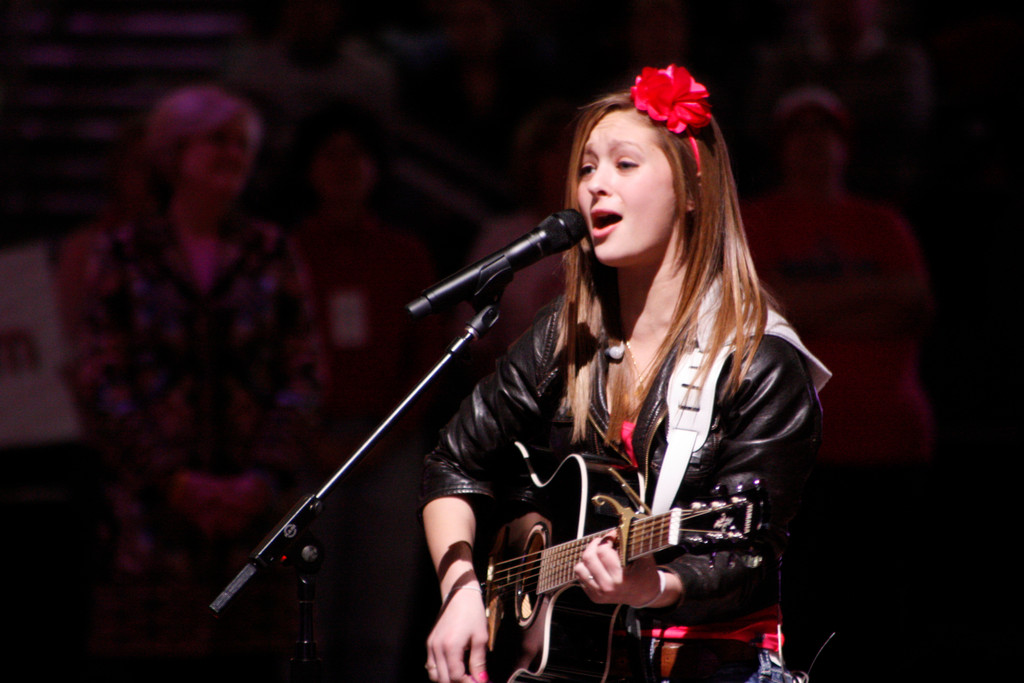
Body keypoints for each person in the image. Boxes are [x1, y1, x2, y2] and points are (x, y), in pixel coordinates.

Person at [418, 65, 830, 683]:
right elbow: (455, 459)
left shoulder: (761, 360)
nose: (594, 186)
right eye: (586, 169)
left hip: (704, 664)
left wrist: (650, 584)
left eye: (624, 165)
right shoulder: (564, 334)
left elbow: (747, 549)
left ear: (693, 190)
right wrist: (460, 590)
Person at [71, 84, 321, 683]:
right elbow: (103, 379)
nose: (233, 154)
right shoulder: (122, 253)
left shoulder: (272, 251)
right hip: (151, 520)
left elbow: (304, 372)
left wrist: (259, 479)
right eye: (217, 140)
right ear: (174, 152)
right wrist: (173, 480)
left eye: (242, 145)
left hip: (251, 513)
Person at [741, 87, 935, 681]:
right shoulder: (755, 219)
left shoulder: (881, 222)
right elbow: (762, 309)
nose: (812, 145)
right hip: (797, 455)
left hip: (892, 444)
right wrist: (864, 301)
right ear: (779, 147)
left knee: (887, 613)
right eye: (799, 133)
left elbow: (916, 304)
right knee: (801, 610)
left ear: (844, 146)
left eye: (824, 132)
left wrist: (811, 311)